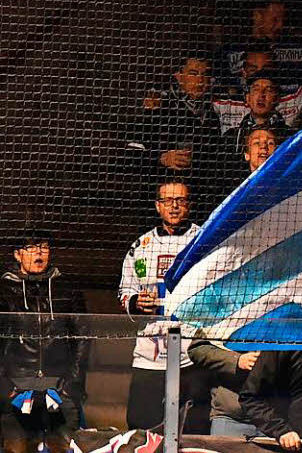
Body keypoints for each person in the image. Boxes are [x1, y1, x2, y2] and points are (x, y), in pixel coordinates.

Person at [0, 231, 88, 453]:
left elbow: (82, 340)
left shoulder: (66, 289)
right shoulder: (4, 290)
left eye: (44, 247)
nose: (39, 253)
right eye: (31, 248)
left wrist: (69, 386)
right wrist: (6, 389)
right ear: (17, 254)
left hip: (58, 388)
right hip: (17, 388)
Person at [118, 181, 207, 433]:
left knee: (192, 432)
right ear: (158, 206)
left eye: (180, 200)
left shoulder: (203, 243)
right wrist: (135, 303)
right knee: (140, 428)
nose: (175, 206)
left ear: (189, 205)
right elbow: (125, 291)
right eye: (168, 201)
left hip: (192, 357)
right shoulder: (141, 246)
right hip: (150, 358)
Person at [130, 51, 225, 190]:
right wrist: (161, 159)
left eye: (205, 74)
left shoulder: (212, 115)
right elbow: (131, 153)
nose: (200, 80)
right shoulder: (157, 107)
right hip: (160, 192)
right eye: (193, 74)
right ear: (179, 77)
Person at [187, 342, 261, 437]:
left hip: (275, 420)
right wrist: (236, 360)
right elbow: (197, 349)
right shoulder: (214, 327)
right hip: (230, 418)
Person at [222, 71, 289, 156]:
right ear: (248, 98)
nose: (261, 95)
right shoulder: (232, 137)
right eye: (256, 90)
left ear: (276, 99)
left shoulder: (289, 136)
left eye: (268, 90)